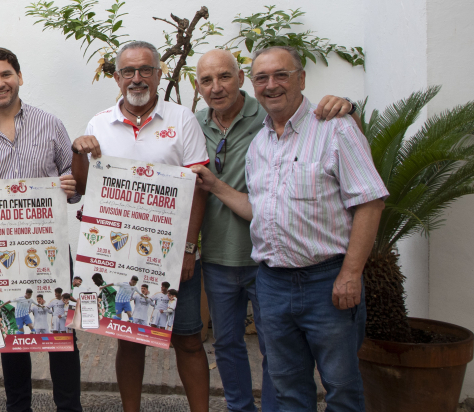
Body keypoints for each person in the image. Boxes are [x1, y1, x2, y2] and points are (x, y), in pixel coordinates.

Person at [191, 46, 387, 411]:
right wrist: (216, 186)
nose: (271, 85)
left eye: (280, 75)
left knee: (341, 389)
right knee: (288, 390)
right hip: (273, 283)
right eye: (262, 77)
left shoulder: (335, 128)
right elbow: (259, 210)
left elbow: (370, 202)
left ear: (301, 78)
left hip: (326, 282)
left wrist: (350, 273)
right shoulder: (261, 143)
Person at [71, 41, 211, 412]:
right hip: (119, 253)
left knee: (189, 339)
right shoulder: (99, 123)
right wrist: (77, 152)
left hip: (172, 252)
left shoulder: (182, 120)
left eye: (145, 70)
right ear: (116, 78)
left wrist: (188, 248)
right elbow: (84, 187)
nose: (137, 78)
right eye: (128, 72)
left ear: (159, 73)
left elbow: (200, 187)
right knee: (128, 338)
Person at [0, 46, 83, 412]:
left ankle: (69, 407)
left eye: (6, 74)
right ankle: (18, 407)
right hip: (0, 254)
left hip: (50, 250)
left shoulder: (51, 124)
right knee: (11, 334)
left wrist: (71, 183)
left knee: (62, 332)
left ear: (19, 77)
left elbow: (72, 180)